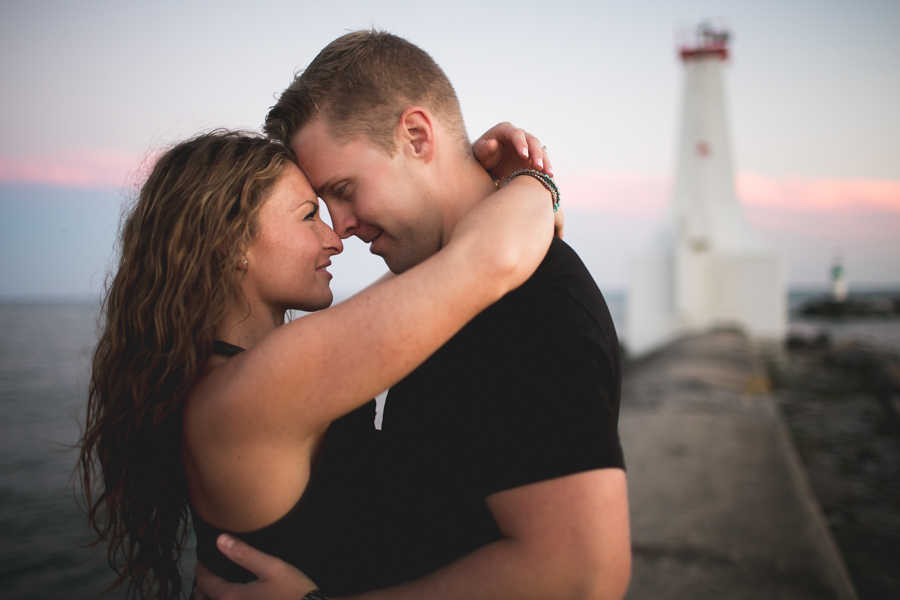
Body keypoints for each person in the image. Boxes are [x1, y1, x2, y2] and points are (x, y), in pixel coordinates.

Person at [196, 30, 630, 600]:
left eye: (344, 190)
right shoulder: (441, 294)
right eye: (319, 210)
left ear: (417, 137)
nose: (341, 228)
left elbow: (582, 577)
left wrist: (530, 187)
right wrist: (531, 187)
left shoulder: (528, 306)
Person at [77, 126, 557, 600]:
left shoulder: (230, 375)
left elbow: (450, 266)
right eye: (309, 216)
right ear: (231, 242)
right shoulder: (256, 387)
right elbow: (489, 259)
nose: (335, 239)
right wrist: (533, 183)